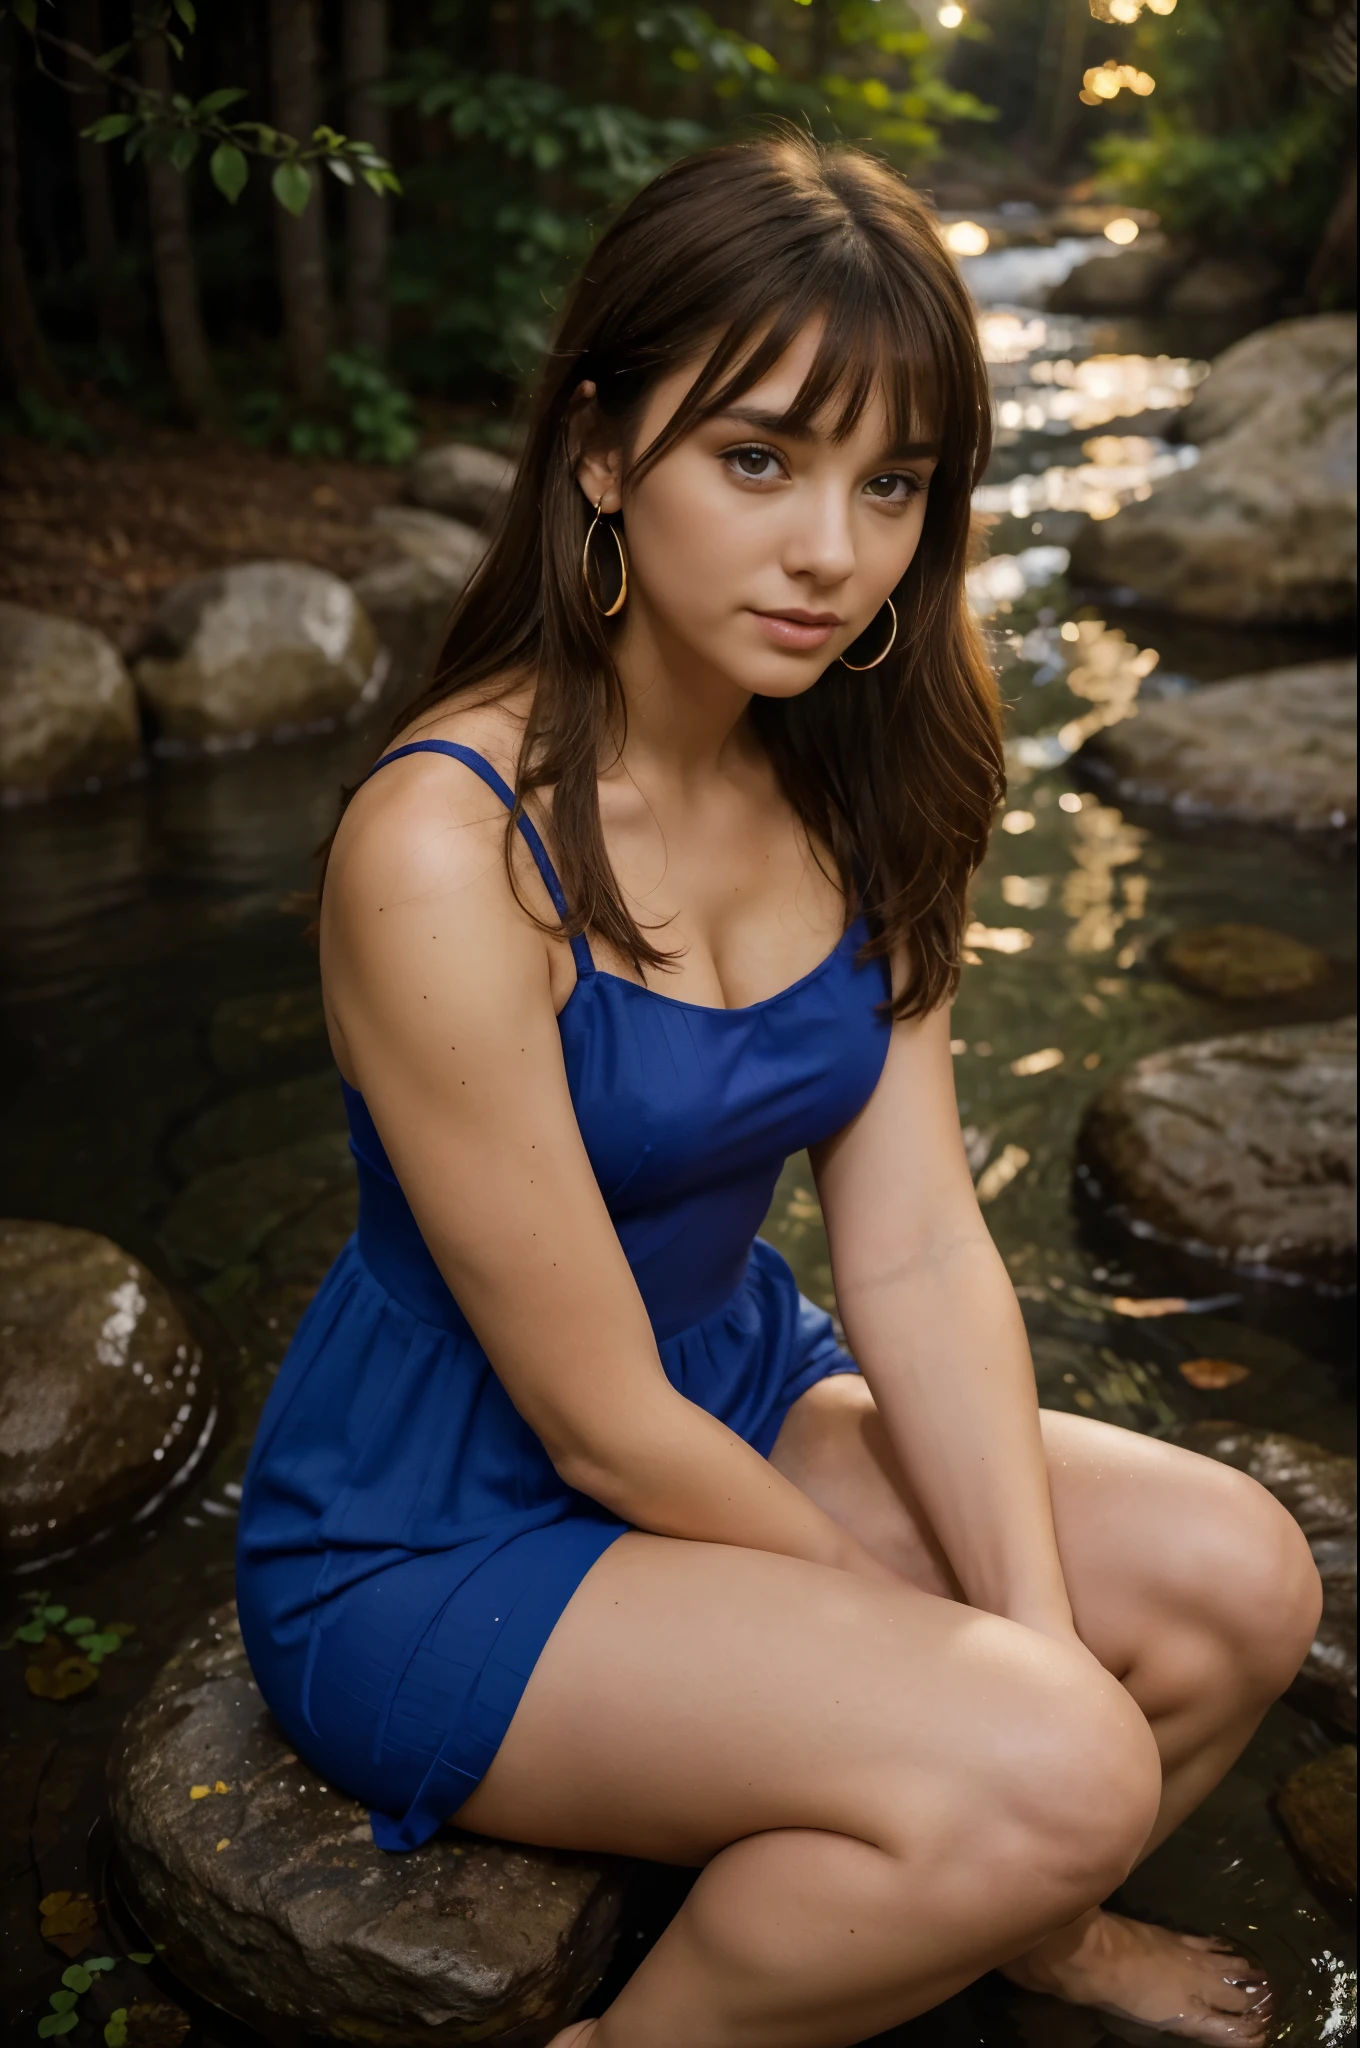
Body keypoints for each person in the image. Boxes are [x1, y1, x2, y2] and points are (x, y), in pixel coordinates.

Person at [236, 135, 1321, 2048]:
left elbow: (907, 1250)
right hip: (447, 1528)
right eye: (758, 461)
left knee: (1241, 1581)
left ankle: (1000, 1889)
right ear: (599, 451)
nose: (834, 549)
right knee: (1058, 1751)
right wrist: (993, 1676)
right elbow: (593, 1424)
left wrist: (1027, 1631)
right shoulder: (443, 848)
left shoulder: (857, 772)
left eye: (891, 481)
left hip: (737, 1388)